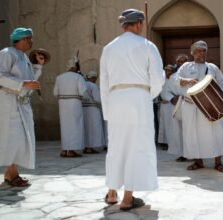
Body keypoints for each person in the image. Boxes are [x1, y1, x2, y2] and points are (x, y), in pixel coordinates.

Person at [100, 8, 165, 211]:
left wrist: (108, 110)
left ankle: (112, 192)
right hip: (139, 99)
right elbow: (157, 78)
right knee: (137, 146)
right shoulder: (147, 46)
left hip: (116, 99)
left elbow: (104, 82)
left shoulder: (109, 48)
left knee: (117, 146)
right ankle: (128, 198)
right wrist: (147, 96)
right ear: (138, 24)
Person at [0, 27, 45, 186]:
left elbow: (29, 80)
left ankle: (11, 173)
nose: (31, 42)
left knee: (21, 139)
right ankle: (12, 174)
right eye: (29, 38)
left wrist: (38, 67)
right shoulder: (6, 53)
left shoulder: (23, 56)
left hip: (22, 102)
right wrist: (23, 83)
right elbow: (0, 76)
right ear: (20, 39)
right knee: (11, 137)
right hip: (9, 101)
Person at [175, 40, 223, 172]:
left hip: (210, 107)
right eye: (199, 50)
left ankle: (218, 162)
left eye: (204, 50)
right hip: (191, 106)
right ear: (192, 52)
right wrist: (186, 80)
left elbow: (222, 84)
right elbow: (174, 80)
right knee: (193, 134)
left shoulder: (212, 67)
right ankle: (198, 161)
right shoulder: (186, 67)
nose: (202, 53)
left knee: (217, 133)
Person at [53, 58, 87, 157]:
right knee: (75, 126)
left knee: (65, 127)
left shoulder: (59, 77)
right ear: (74, 67)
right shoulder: (78, 77)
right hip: (75, 104)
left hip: (62, 105)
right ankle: (71, 150)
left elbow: (55, 93)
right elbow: (83, 92)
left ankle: (65, 149)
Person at [82, 70, 106, 154]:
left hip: (83, 109)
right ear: (93, 77)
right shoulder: (93, 86)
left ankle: (85, 147)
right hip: (93, 109)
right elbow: (97, 99)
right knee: (94, 129)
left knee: (86, 128)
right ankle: (91, 147)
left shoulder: (83, 84)